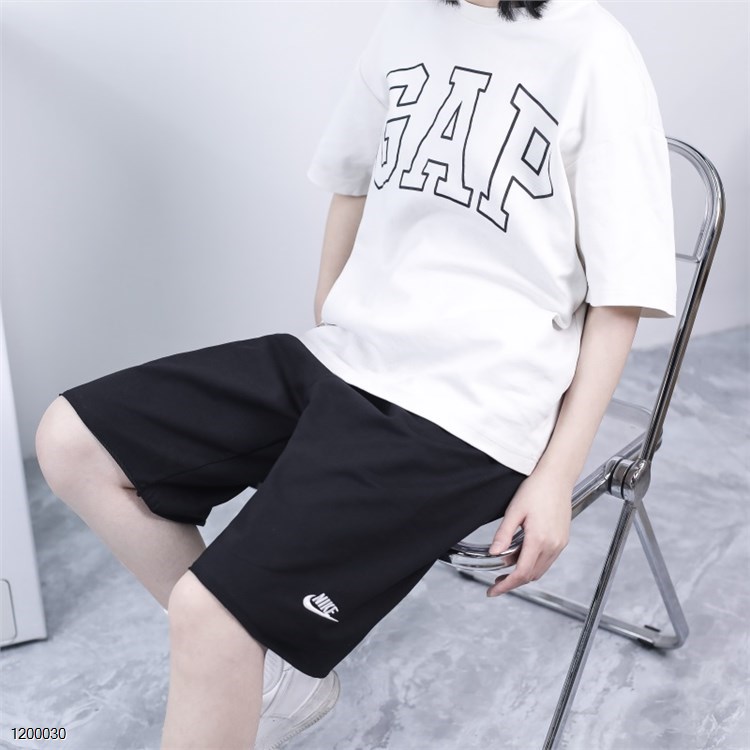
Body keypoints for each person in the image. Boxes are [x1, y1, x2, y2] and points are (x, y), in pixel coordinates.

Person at [34, 0, 677, 747]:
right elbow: (353, 181)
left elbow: (620, 297)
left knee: (210, 616)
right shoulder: (410, 21)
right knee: (72, 441)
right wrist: (333, 317)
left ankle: (236, 652)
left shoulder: (595, 51)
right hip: (352, 358)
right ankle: (269, 680)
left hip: (472, 409)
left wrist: (556, 477)